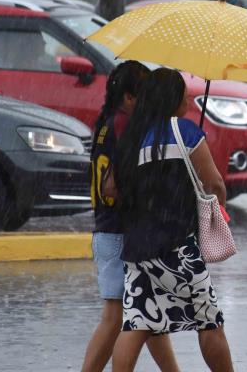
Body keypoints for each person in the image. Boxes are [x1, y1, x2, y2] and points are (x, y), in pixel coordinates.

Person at [112, 68, 233, 372]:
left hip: (138, 247)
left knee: (136, 323)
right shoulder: (185, 131)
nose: (190, 98)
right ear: (171, 98)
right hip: (177, 246)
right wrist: (216, 209)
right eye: (184, 93)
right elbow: (215, 183)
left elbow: (110, 187)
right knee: (209, 322)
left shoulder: (133, 136)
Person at [82, 61, 180, 372]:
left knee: (147, 314)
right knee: (114, 318)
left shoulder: (107, 123)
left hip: (109, 228)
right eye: (142, 95)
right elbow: (120, 182)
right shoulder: (125, 125)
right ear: (128, 98)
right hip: (118, 230)